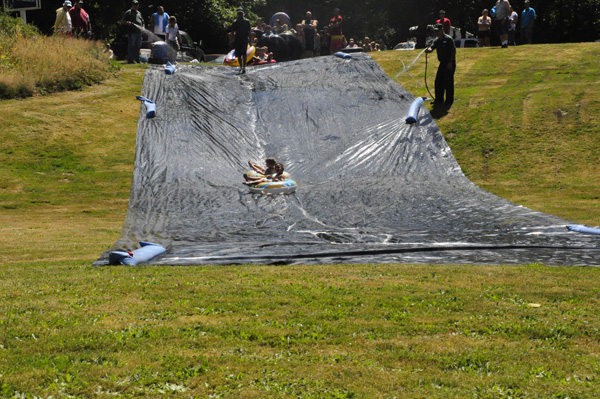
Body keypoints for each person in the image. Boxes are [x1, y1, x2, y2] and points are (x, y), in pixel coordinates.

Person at [425, 23, 456, 106]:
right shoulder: (437, 40)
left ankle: (449, 101)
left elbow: (453, 51)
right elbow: (432, 47)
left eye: (438, 31)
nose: (436, 33)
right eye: (435, 31)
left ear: (442, 30)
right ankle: (439, 100)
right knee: (438, 81)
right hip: (442, 63)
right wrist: (429, 49)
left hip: (450, 62)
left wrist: (450, 62)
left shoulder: (448, 39)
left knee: (448, 82)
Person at [228, 7, 251, 74]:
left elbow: (249, 31)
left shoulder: (247, 22)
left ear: (243, 13)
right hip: (238, 39)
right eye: (239, 13)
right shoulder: (235, 22)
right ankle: (240, 66)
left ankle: (244, 67)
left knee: (244, 53)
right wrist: (231, 40)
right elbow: (232, 32)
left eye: (241, 13)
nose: (240, 15)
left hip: (245, 39)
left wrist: (250, 40)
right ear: (237, 14)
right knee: (238, 54)